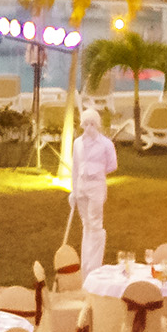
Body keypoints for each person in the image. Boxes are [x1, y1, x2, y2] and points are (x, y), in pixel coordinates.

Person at [65, 105, 119, 266]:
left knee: (95, 224)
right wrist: (73, 190)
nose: (89, 127)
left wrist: (96, 172)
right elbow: (75, 167)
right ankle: (86, 263)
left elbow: (112, 165)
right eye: (86, 124)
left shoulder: (106, 144)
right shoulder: (77, 143)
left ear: (97, 124)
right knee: (86, 224)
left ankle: (94, 264)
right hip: (81, 186)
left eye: (92, 124)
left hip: (96, 186)